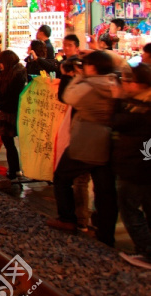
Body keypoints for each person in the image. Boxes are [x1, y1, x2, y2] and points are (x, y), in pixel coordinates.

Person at [47, 50, 119, 247]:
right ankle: (106, 235)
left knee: (61, 177)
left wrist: (76, 76)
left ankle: (67, 219)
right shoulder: (115, 83)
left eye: (86, 65)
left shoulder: (89, 85)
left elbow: (68, 96)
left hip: (86, 139)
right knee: (105, 190)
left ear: (93, 68)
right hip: (107, 140)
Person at [112, 63, 151, 269]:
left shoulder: (142, 108)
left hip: (138, 166)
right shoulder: (139, 102)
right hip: (139, 165)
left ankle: (147, 250)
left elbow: (118, 122)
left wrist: (117, 98)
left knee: (130, 208)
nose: (124, 84)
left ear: (139, 84)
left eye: (128, 81)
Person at [0, 51, 27, 180]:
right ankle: (14, 169)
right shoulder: (14, 73)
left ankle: (14, 170)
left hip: (9, 111)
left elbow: (4, 93)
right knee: (8, 142)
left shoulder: (15, 76)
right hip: (7, 109)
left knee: (8, 142)